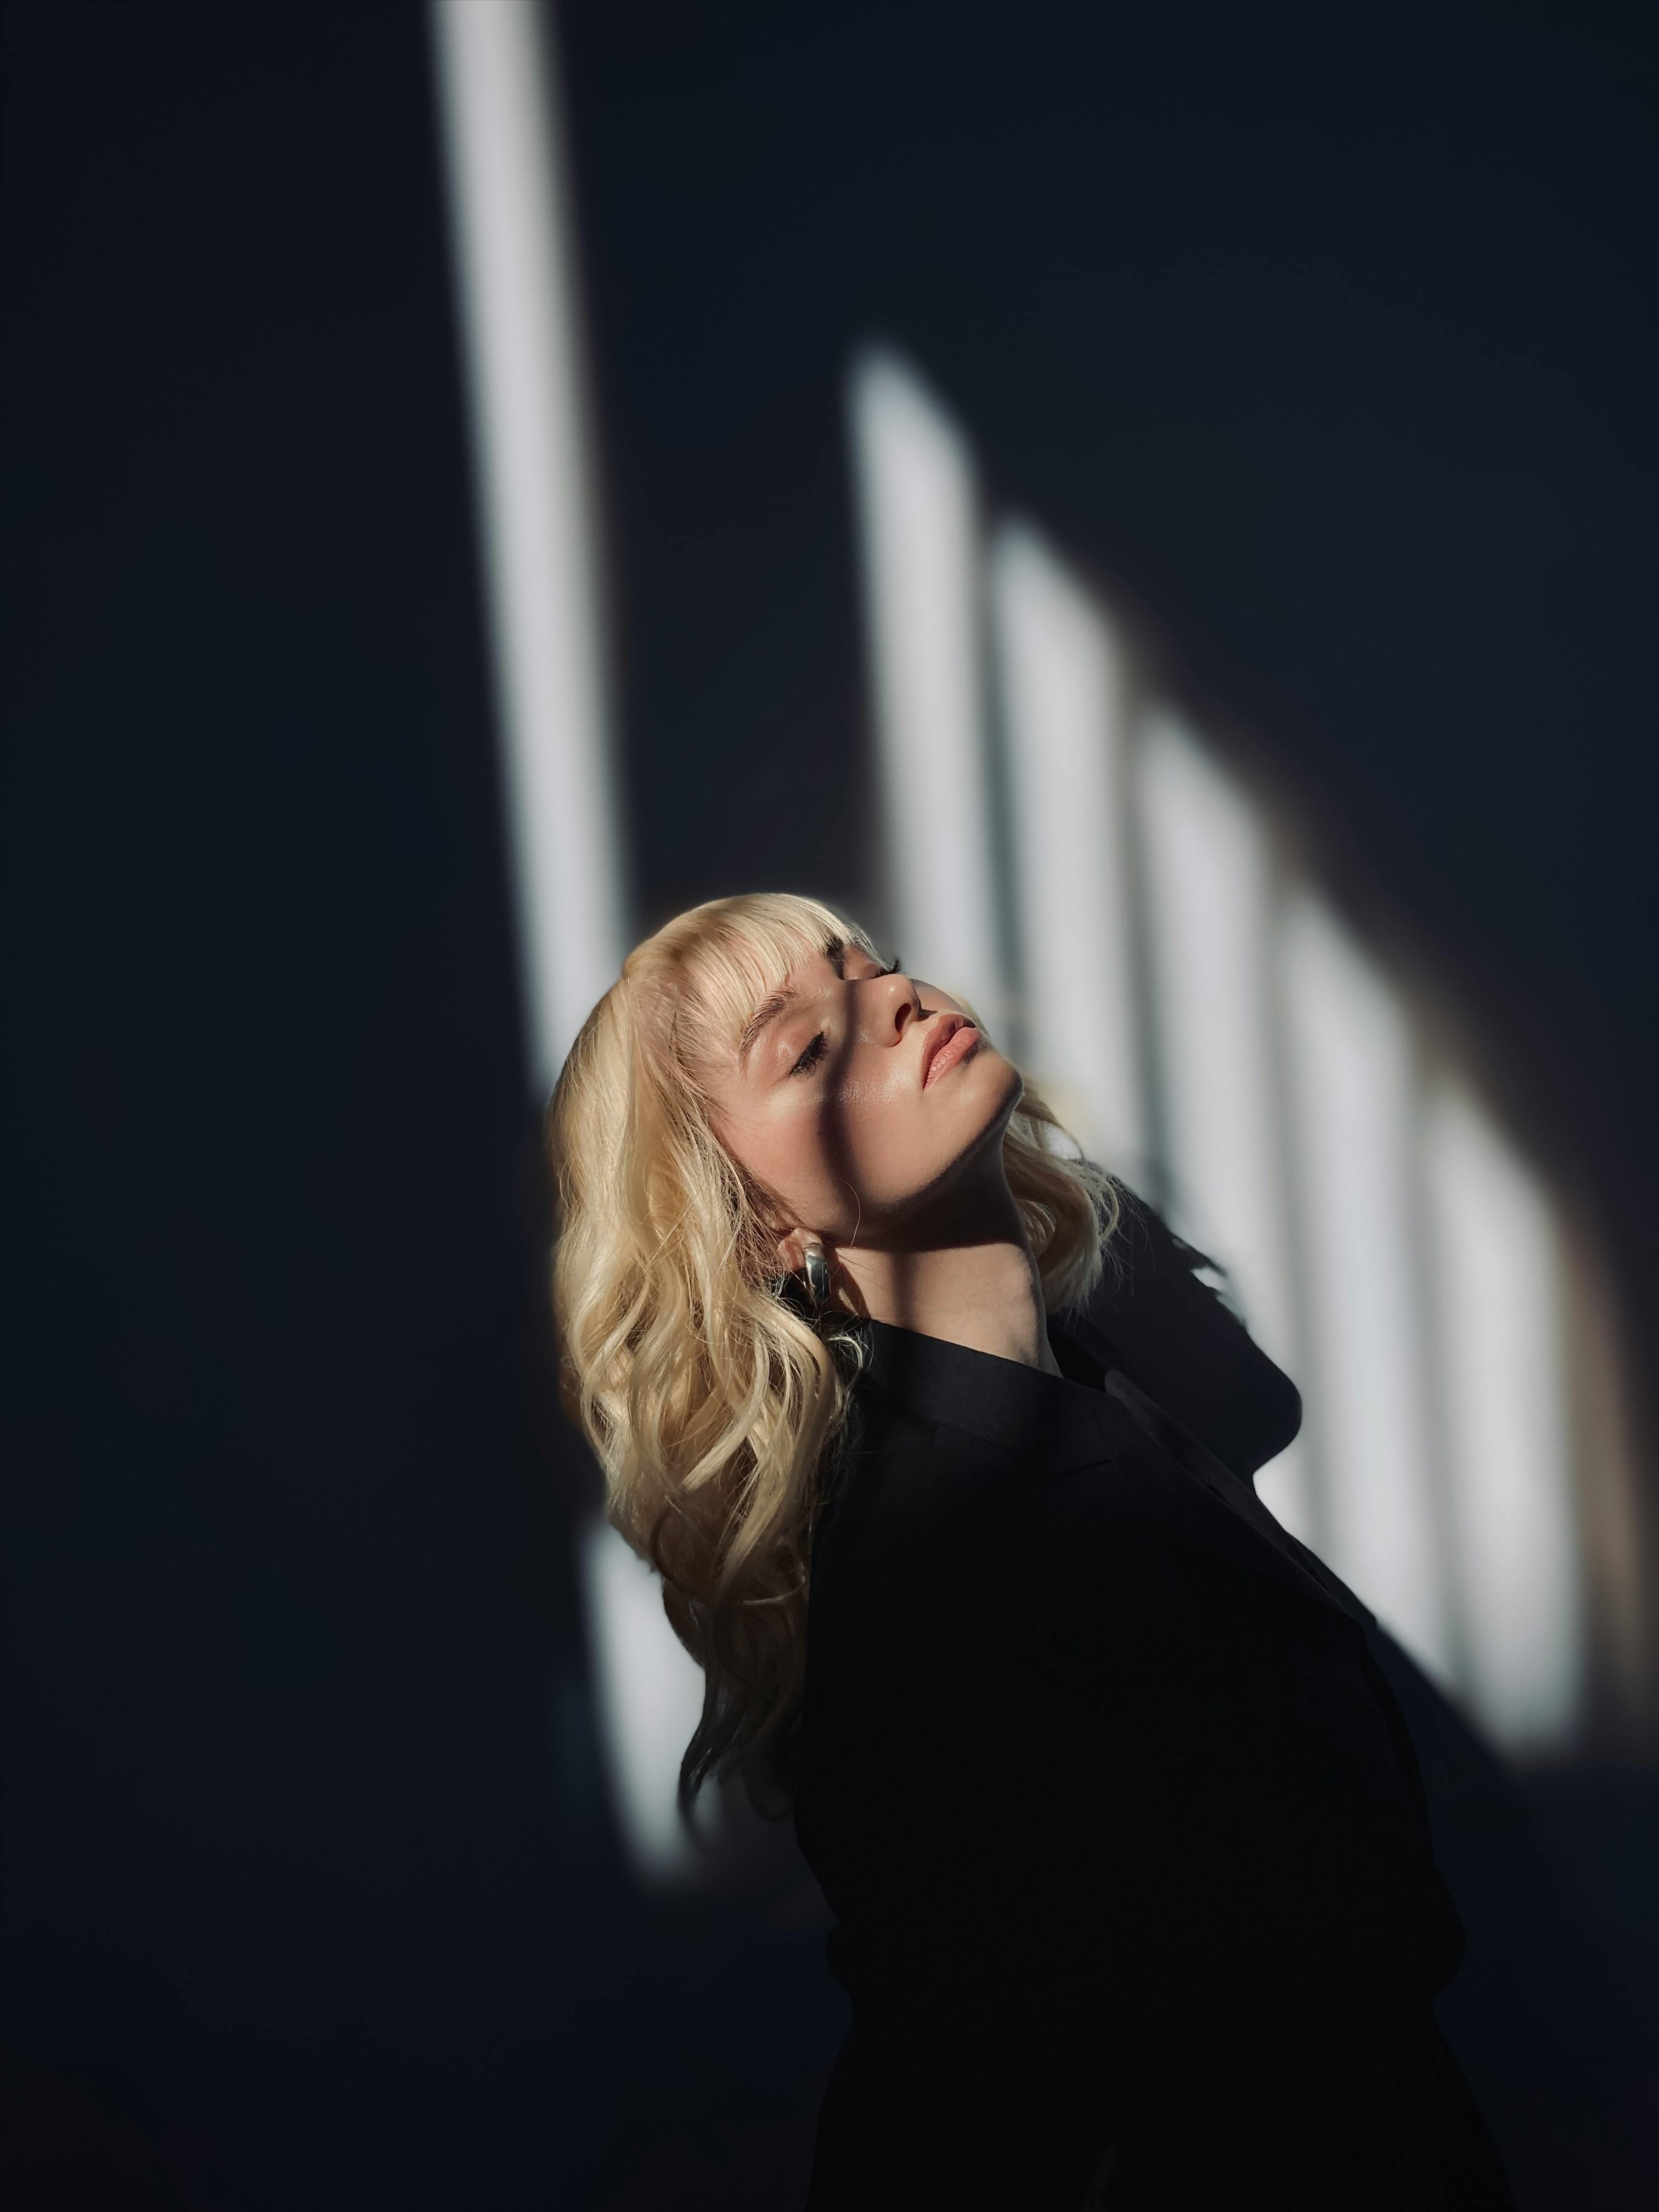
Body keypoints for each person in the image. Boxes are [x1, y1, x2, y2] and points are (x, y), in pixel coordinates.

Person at [548, 891, 1515, 2210]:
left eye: (866, 965)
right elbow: (953, 2124)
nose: (886, 1000)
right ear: (762, 1231)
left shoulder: (1091, 1410)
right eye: (805, 1049)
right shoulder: (937, 1578)